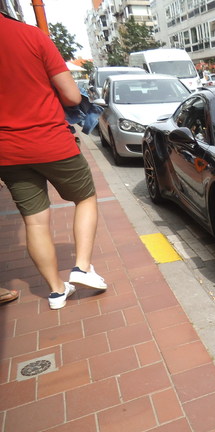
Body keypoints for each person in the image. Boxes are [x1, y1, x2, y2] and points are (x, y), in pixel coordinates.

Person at [0, 13, 107, 310]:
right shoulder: (31, 36)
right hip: (51, 141)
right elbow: (72, 96)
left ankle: (57, 291)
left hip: (7, 151)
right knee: (85, 198)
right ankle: (82, 268)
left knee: (34, 222)